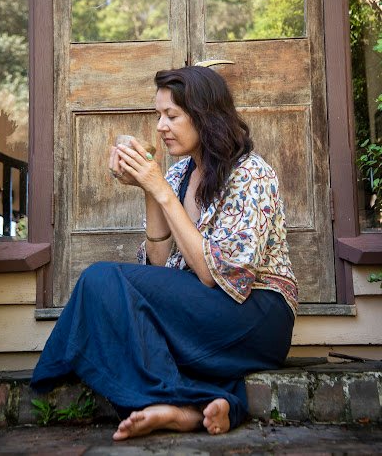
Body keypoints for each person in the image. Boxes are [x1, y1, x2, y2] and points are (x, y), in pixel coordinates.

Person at [31, 66, 298, 440]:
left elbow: (214, 276)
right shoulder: (179, 174)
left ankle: (165, 397)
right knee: (128, 305)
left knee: (100, 279)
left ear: (205, 116)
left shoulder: (251, 174)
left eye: (171, 115)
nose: (160, 127)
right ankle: (201, 409)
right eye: (159, 115)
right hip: (206, 312)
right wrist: (149, 188)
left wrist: (160, 190)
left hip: (256, 314)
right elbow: (159, 266)